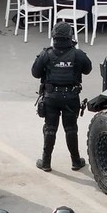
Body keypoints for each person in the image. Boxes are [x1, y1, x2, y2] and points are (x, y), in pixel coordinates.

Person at [31, 23, 92, 172]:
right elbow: (88, 69)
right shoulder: (77, 54)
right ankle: (76, 161)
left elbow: (35, 72)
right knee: (71, 129)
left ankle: (46, 162)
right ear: (70, 37)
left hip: (51, 96)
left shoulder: (47, 53)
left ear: (54, 37)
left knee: (50, 128)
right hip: (71, 97)